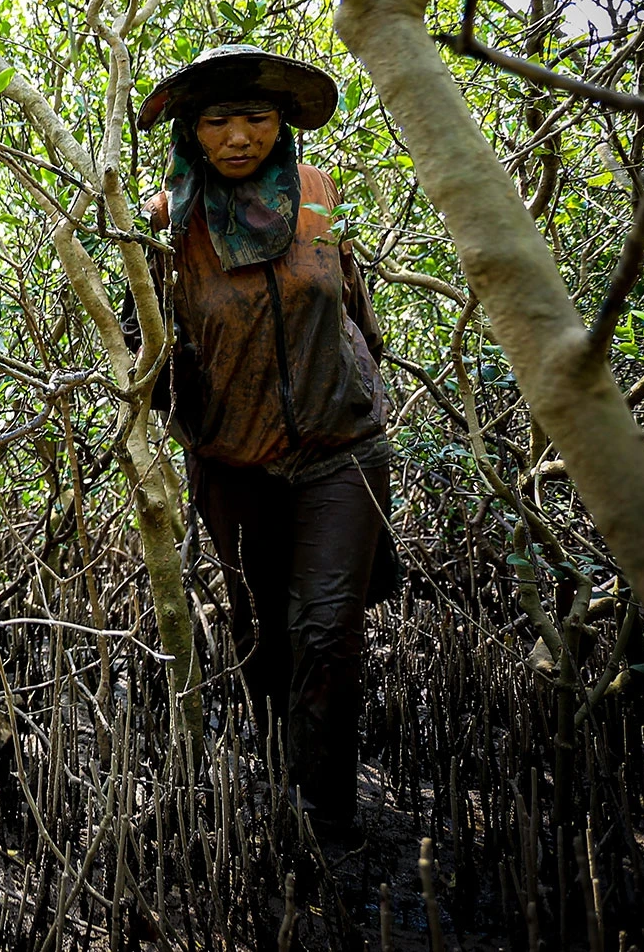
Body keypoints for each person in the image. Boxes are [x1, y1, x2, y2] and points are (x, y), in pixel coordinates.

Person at [136, 43, 398, 840]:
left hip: (341, 446)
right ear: (191, 132)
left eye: (256, 117)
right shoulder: (162, 222)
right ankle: (277, 764)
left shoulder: (318, 194)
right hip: (235, 459)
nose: (239, 136)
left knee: (327, 625)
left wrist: (359, 385)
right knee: (262, 629)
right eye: (217, 121)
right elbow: (143, 347)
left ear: (282, 125)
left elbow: (354, 305)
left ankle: (326, 811)